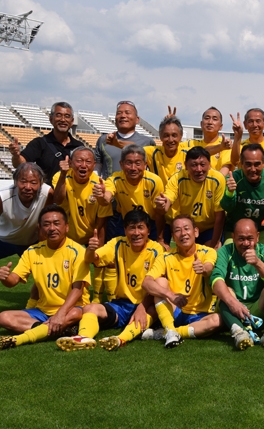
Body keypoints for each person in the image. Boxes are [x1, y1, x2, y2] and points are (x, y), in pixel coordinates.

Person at [56, 210, 165, 352]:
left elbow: (156, 285)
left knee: (155, 308)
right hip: (121, 304)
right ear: (125, 230)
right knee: (90, 308)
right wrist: (90, 249)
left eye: (140, 227)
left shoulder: (156, 250)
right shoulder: (118, 243)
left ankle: (121, 339)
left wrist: (142, 307)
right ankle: (83, 338)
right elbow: (91, 259)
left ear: (148, 230)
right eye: (132, 228)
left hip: (146, 302)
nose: (136, 233)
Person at [0, 205, 91, 350]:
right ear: (40, 228)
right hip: (42, 311)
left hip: (71, 309)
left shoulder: (77, 251)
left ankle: (39, 332)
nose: (52, 228)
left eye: (56, 223)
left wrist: (60, 314)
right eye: (46, 224)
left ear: (66, 227)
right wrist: (5, 277)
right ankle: (56, 330)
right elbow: (13, 281)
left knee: (76, 313)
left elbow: (78, 290)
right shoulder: (32, 251)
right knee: (3, 317)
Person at [141, 215, 221, 348]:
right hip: (176, 310)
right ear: (173, 236)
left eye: (186, 229)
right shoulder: (165, 257)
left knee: (217, 321)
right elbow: (146, 282)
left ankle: (168, 332)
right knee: (160, 282)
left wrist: (203, 268)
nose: (183, 233)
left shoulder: (208, 252)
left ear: (196, 232)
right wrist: (170, 295)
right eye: (178, 230)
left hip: (201, 315)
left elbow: (209, 268)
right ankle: (170, 329)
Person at [52, 146, 115, 303]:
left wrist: (98, 247)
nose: (83, 165)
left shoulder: (99, 185)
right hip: (67, 234)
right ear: (71, 163)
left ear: (94, 165)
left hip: (90, 233)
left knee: (104, 259)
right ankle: (52, 296)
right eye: (79, 161)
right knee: (60, 265)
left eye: (88, 161)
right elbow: (58, 200)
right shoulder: (60, 177)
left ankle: (99, 298)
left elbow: (102, 220)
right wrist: (63, 175)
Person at [211, 219, 264, 350]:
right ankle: (239, 332)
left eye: (250, 238)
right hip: (233, 311)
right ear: (233, 237)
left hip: (257, 308)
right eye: (241, 239)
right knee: (225, 290)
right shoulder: (225, 251)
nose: (246, 243)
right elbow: (216, 279)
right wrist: (233, 303)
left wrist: (257, 263)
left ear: (258, 237)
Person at [93, 144, 166, 247]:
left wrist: (160, 238)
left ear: (145, 165)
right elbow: (106, 200)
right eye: (129, 163)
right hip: (126, 222)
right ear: (121, 164)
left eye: (137, 163)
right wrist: (101, 195)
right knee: (119, 254)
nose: (133, 168)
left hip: (150, 223)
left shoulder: (154, 181)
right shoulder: (115, 179)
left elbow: (159, 212)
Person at [155, 147, 226, 248]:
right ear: (186, 166)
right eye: (193, 165)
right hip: (187, 228)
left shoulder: (218, 179)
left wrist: (214, 245)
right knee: (184, 256)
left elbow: (220, 215)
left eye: (202, 165)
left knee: (212, 253)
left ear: (209, 165)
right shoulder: (178, 178)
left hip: (209, 228)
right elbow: (168, 198)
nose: (199, 169)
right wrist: (163, 204)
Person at [221, 143, 264, 249]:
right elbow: (227, 207)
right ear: (241, 164)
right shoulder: (233, 179)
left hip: (262, 230)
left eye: (257, 164)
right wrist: (230, 193)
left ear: (263, 163)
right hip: (235, 231)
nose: (253, 169)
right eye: (248, 164)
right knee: (229, 260)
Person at [9, 101, 83, 185]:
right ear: (51, 119)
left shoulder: (79, 147)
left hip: (71, 196)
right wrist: (16, 156)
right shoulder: (39, 143)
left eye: (67, 116)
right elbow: (19, 164)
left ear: (72, 121)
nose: (63, 119)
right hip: (47, 196)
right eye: (58, 115)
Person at [0, 163, 53, 259]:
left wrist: (43, 247)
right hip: (4, 241)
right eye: (23, 181)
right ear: (15, 182)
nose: (28, 187)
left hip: (31, 242)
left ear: (41, 183)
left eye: (33, 182)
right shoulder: (3, 197)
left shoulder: (47, 194)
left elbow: (44, 223)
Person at [94, 100, 156, 179]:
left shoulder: (147, 142)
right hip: (109, 189)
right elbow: (97, 169)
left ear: (137, 119)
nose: (123, 116)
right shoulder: (103, 140)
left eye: (127, 112)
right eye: (119, 113)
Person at [229, 108, 264, 176]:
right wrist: (237, 136)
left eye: (258, 121)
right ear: (245, 125)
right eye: (250, 121)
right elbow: (234, 162)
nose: (254, 125)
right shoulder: (240, 145)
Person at [184, 106, 233, 174]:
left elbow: (224, 171)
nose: (210, 122)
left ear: (221, 126)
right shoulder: (190, 144)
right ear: (201, 124)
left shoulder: (226, 145)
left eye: (215, 119)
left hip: (216, 183)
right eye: (207, 118)